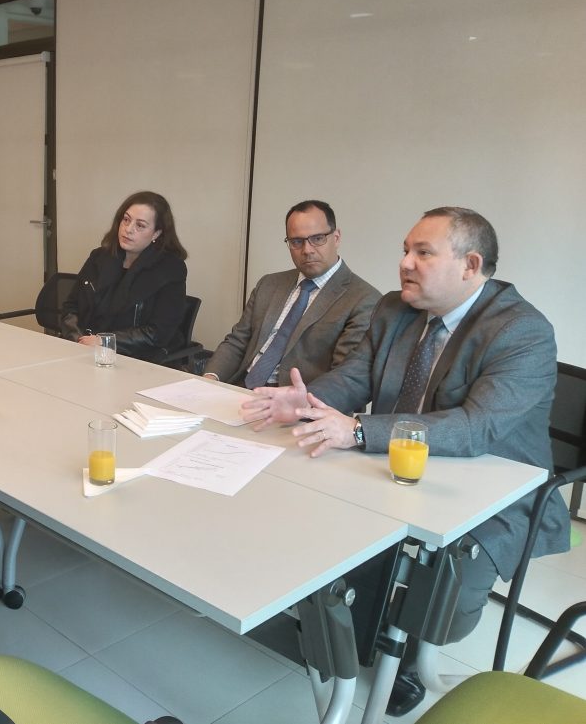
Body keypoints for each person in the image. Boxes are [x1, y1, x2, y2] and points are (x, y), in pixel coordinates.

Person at [242, 206, 569, 715]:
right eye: (405, 250)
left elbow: (475, 427)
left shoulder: (521, 330)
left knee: (443, 594)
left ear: (470, 265)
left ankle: (411, 654)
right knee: (301, 487)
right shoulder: (395, 309)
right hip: (391, 463)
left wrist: (358, 430)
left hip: (489, 489)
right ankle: (338, 623)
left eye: (423, 253)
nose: (405, 263)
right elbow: (357, 377)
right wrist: (304, 401)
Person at [204, 200, 380, 387]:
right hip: (239, 387)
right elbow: (238, 341)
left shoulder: (364, 300)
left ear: (336, 238)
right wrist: (209, 379)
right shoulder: (269, 284)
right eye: (297, 241)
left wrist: (295, 400)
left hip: (297, 398)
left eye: (318, 238)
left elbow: (343, 376)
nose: (307, 250)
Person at [60, 191, 188, 361]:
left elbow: (158, 333)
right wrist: (78, 340)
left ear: (156, 233)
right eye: (126, 220)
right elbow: (71, 307)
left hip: (135, 359)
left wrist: (104, 341)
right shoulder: (99, 257)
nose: (128, 229)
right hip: (84, 350)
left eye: (140, 225)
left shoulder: (170, 269)